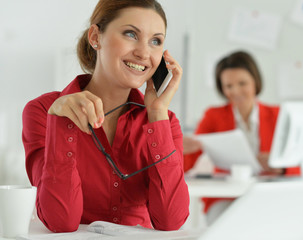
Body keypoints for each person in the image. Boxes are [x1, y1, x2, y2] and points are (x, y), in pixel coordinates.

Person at [22, 0, 189, 233]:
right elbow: (60, 221)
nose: (143, 52)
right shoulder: (44, 111)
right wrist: (62, 124)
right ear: (95, 37)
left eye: (155, 41)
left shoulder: (165, 122)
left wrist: (157, 115)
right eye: (131, 34)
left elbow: (171, 220)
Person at [183, 51, 300, 224]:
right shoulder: (213, 116)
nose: (235, 91)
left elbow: (299, 164)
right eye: (228, 86)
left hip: (268, 196)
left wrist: (279, 167)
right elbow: (186, 163)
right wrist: (179, 148)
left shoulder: (278, 116)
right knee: (223, 225)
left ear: (255, 82)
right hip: (226, 196)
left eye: (242, 83)